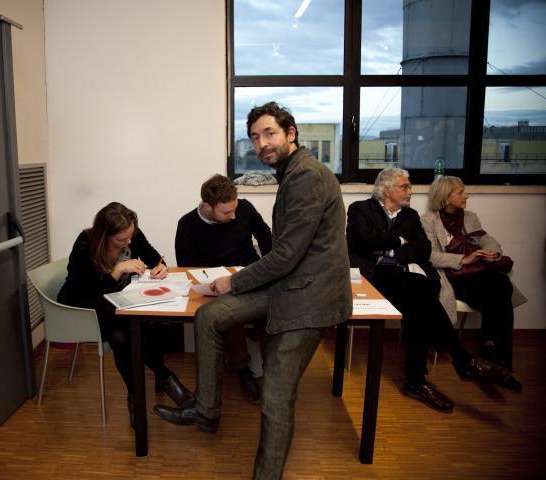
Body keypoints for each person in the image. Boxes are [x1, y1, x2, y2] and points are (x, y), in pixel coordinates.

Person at [154, 102, 352, 479]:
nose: (262, 143)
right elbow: (283, 252)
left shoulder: (306, 176)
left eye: (269, 133)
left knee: (275, 397)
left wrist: (235, 280)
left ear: (291, 133)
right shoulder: (292, 174)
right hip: (290, 284)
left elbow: (286, 253)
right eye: (255, 137)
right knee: (210, 316)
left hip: (308, 297)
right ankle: (206, 411)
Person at [346, 167, 509, 415]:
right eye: (405, 187)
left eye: (409, 186)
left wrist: (388, 247)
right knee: (421, 295)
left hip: (402, 274)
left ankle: (420, 380)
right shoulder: (360, 209)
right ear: (387, 190)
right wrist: (400, 241)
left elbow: (422, 250)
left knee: (419, 302)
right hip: (372, 276)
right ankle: (455, 364)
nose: (410, 191)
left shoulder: (410, 216)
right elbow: (364, 241)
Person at [56, 202, 192, 426]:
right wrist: (117, 270)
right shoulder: (85, 245)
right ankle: (160, 383)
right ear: (105, 235)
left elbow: (154, 257)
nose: (129, 242)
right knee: (122, 335)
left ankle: (142, 393)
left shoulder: (131, 234)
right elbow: (87, 291)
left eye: (130, 235)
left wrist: (161, 267)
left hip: (115, 303)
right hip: (82, 307)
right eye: (122, 239)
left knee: (147, 325)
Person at [175, 173, 272, 405]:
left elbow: (265, 235)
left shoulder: (244, 208)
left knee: (272, 311)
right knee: (227, 315)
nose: (234, 216)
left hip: (250, 276)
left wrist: (270, 266)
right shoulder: (187, 224)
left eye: (235, 209)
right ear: (208, 206)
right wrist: (212, 282)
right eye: (227, 212)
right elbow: (186, 266)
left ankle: (272, 372)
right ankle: (243, 369)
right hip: (217, 285)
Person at [421, 176, 524, 391]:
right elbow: (429, 255)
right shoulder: (428, 220)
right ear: (446, 197)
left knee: (501, 286)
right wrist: (463, 259)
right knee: (499, 292)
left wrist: (492, 252)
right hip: (453, 276)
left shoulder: (470, 217)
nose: (466, 196)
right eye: (460, 192)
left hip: (478, 274)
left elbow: (487, 239)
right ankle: (495, 358)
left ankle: (493, 357)